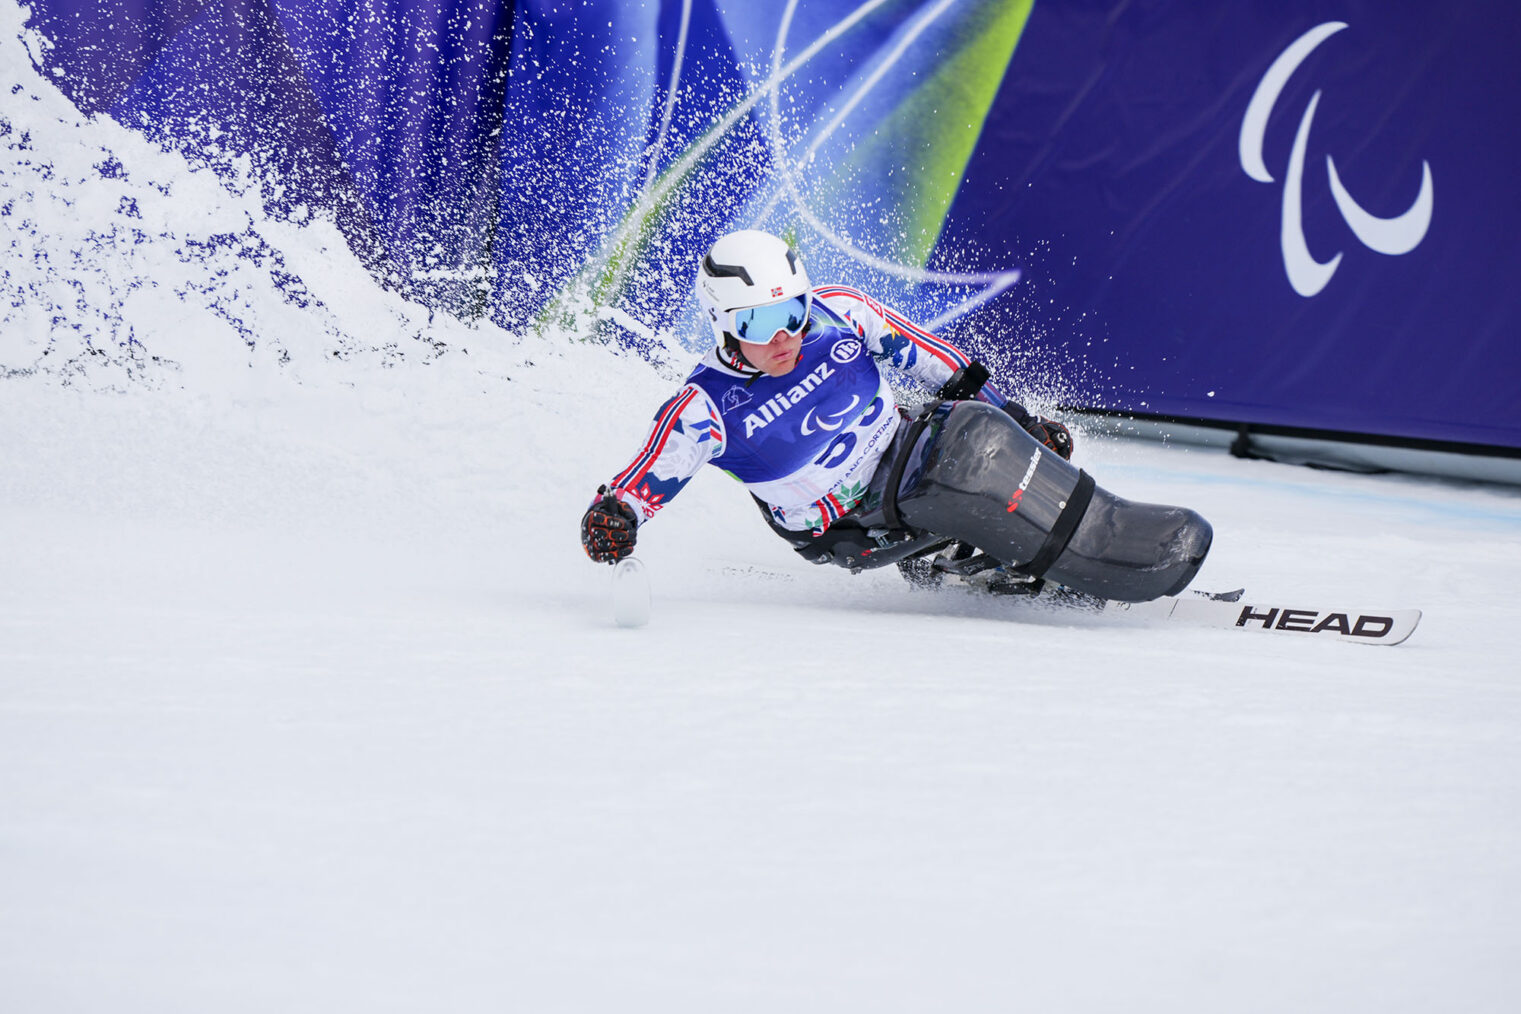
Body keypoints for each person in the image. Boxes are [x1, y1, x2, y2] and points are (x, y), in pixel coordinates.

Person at [580, 229, 1073, 567]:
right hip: (844, 525)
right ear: (723, 325)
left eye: (793, 312)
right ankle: (1055, 554)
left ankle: (1045, 535)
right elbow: (639, 484)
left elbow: (937, 363)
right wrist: (611, 519)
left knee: (980, 429)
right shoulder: (702, 409)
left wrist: (1016, 417)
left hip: (904, 454)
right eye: (759, 322)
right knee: (966, 466)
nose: (784, 338)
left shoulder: (838, 312)